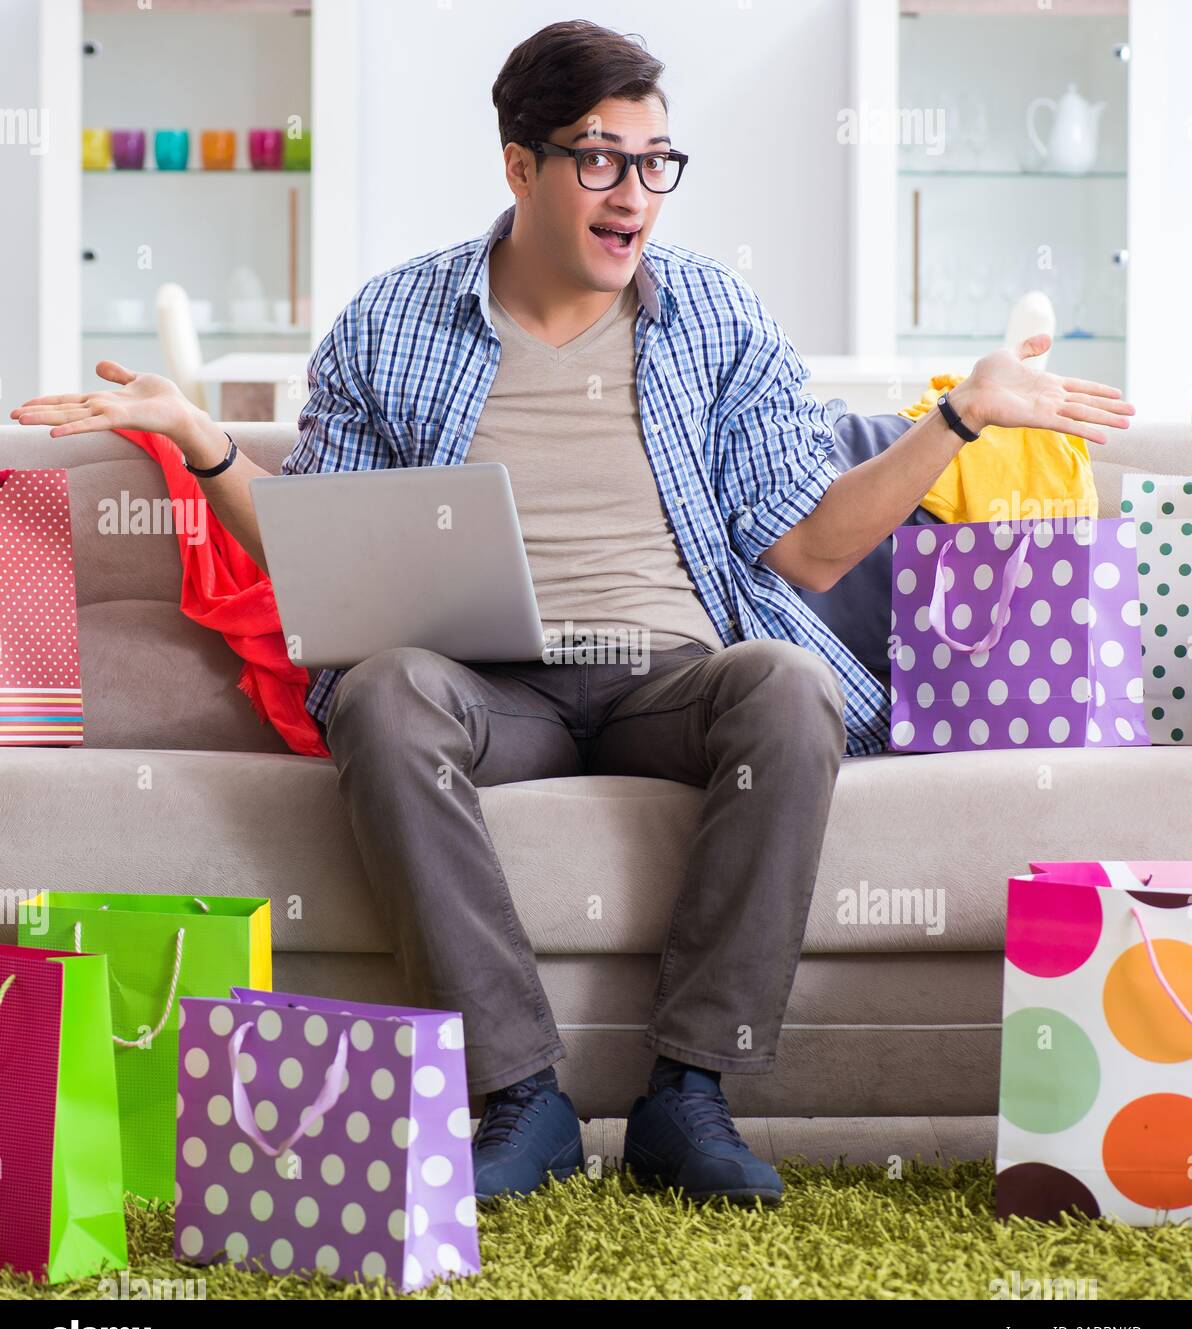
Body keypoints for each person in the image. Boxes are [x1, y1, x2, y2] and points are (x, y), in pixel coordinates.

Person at [13, 20, 1132, 1207]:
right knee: (386, 692)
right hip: (492, 687)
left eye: (656, 163)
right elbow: (310, 553)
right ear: (518, 165)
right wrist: (204, 441)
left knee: (792, 687)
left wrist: (955, 418)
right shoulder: (395, 321)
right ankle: (520, 1098)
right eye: (600, 159)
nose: (634, 191)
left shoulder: (713, 317)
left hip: (672, 679)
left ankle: (688, 1095)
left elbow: (809, 550)